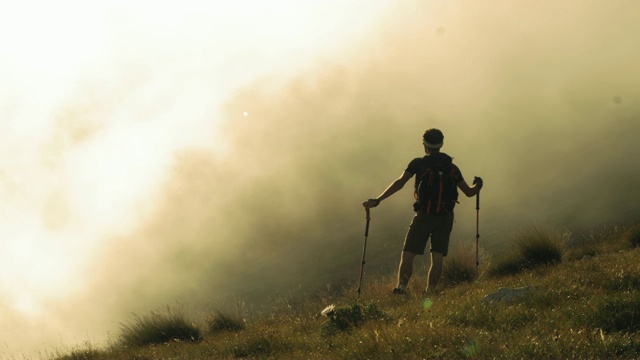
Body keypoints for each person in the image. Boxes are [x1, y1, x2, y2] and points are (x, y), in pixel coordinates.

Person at [362, 128, 482, 296]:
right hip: (445, 217)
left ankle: (401, 288)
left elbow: (400, 182)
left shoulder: (418, 164)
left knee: (409, 253)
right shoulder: (451, 167)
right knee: (438, 256)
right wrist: (478, 185)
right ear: (442, 144)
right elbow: (469, 192)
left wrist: (378, 200)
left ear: (424, 144)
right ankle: (430, 292)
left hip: (424, 215)